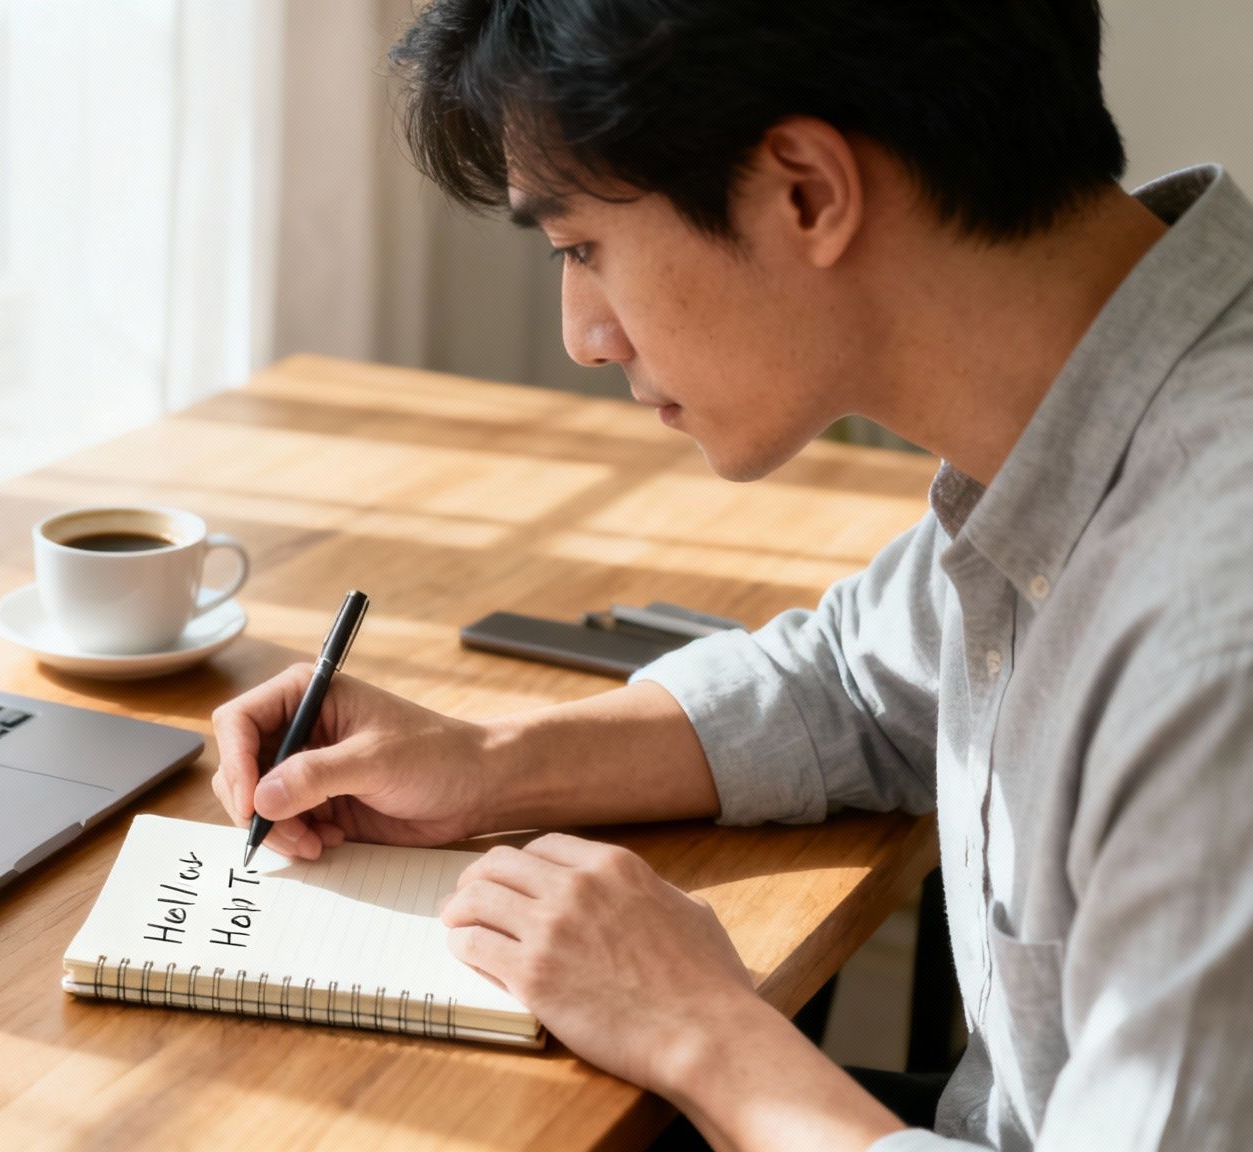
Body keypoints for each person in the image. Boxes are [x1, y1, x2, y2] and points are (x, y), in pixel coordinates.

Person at [210, 1, 1253, 1148]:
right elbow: (853, 682)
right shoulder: (1094, 420)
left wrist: (700, 1030)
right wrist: (484, 764)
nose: (582, 334)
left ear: (804, 191)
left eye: (579, 247)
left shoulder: (1212, 643)